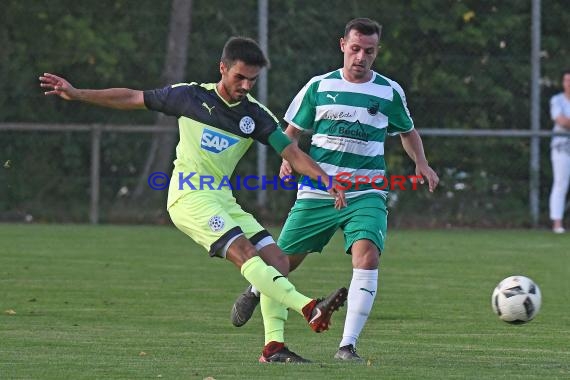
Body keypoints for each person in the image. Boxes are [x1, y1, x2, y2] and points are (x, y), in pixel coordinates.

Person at [39, 36, 349, 363]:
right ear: (222, 68)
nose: (246, 85)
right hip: (188, 196)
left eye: (252, 79)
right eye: (239, 77)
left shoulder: (255, 115)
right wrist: (77, 93)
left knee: (279, 262)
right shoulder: (189, 96)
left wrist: (325, 179)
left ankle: (274, 347)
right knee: (245, 252)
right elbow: (132, 96)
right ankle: (309, 307)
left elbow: (291, 152)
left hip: (222, 199)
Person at [230, 18, 439, 362]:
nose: (360, 57)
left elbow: (407, 131)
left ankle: (347, 345)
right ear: (343, 45)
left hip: (366, 191)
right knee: (281, 263)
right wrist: (287, 158)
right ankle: (257, 288)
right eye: (355, 49)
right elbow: (292, 130)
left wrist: (422, 163)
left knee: (368, 255)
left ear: (377, 52)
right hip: (318, 190)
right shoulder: (319, 86)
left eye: (368, 51)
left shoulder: (389, 91)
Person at [549, 69, 570, 234]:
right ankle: (557, 223)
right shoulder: (556, 100)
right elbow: (562, 121)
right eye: (566, 80)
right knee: (560, 183)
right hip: (561, 148)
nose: (568, 84)